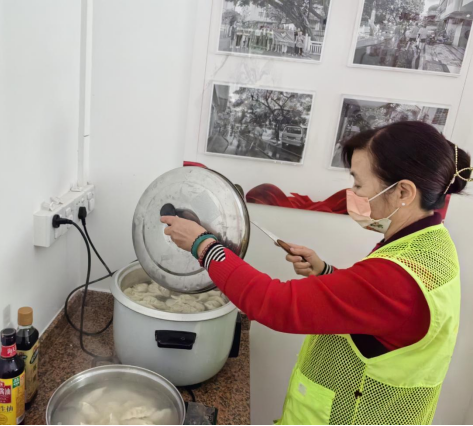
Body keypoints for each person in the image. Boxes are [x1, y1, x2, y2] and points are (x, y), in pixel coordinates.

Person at [161, 121, 472, 425]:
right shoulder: (430, 244)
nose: (352, 193)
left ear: (403, 191)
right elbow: (378, 311)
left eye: (359, 184)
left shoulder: (399, 278)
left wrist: (203, 245)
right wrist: (326, 272)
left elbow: (276, 304)